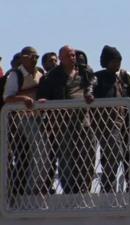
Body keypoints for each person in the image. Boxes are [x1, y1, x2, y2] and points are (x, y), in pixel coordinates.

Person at [37, 45, 96, 194]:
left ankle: (84, 187)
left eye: (74, 55)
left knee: (88, 154)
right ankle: (69, 189)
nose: (73, 58)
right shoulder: (53, 76)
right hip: (63, 122)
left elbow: (93, 81)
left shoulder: (84, 70)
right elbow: (43, 94)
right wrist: (44, 101)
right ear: (61, 58)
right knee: (66, 157)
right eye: (69, 56)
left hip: (84, 120)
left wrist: (89, 92)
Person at [3, 46, 49, 195]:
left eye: (36, 57)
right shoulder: (15, 75)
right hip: (22, 119)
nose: (34, 59)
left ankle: (35, 187)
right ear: (23, 58)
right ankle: (30, 190)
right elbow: (7, 98)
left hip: (40, 118)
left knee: (39, 153)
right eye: (31, 56)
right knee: (38, 151)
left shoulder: (40, 73)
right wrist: (23, 98)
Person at [93, 45, 130, 193]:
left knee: (125, 155)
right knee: (113, 154)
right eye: (114, 61)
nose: (117, 64)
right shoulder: (98, 77)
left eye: (119, 60)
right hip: (105, 123)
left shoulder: (122, 77)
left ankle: (125, 186)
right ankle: (107, 187)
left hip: (122, 123)